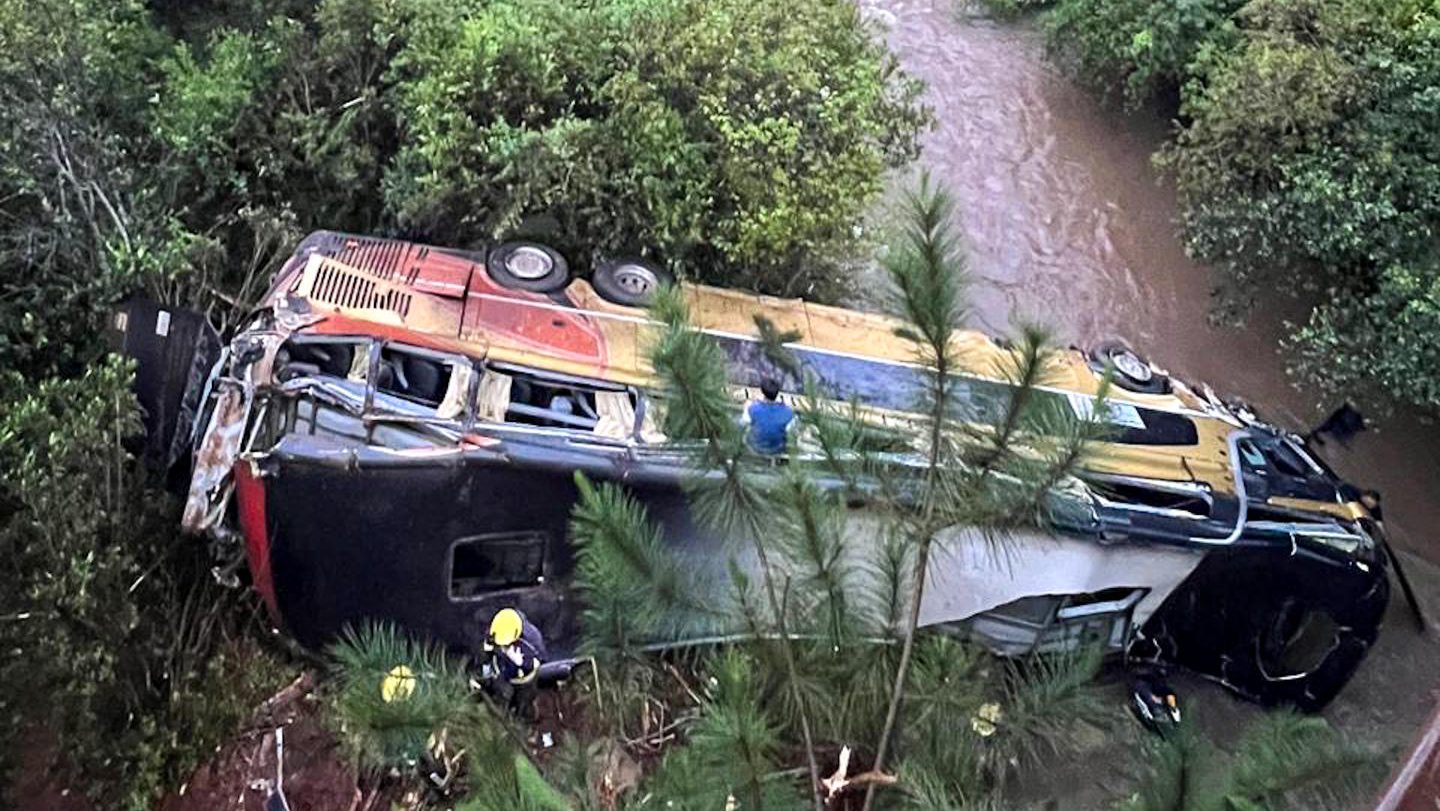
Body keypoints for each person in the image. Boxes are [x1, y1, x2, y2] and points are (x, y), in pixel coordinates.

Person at [482, 608, 545, 720]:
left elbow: (538, 661)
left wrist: (520, 662)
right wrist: (488, 660)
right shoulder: (500, 626)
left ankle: (523, 717)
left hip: (526, 676)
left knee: (523, 702)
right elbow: (489, 647)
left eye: (506, 645)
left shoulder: (531, 641)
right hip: (505, 666)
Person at [743, 377, 794, 455]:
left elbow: (744, 422)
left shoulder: (752, 408)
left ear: (762, 392)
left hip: (755, 449)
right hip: (777, 450)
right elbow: (791, 431)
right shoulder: (788, 412)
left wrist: (747, 405)